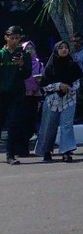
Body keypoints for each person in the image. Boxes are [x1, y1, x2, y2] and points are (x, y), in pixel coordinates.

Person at [37, 41, 83, 162]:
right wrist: (58, 86)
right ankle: (46, 151)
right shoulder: (50, 66)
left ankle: (66, 151)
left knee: (67, 125)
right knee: (49, 126)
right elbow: (44, 85)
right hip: (52, 101)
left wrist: (69, 87)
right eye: (60, 48)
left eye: (66, 48)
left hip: (69, 99)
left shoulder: (73, 65)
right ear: (56, 50)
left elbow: (77, 82)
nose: (64, 50)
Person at [0, 26, 32, 165]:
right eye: (12, 38)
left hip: (17, 94)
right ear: (6, 37)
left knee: (13, 124)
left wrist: (21, 65)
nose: (14, 40)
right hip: (2, 94)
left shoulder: (24, 55)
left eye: (17, 38)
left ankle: (10, 155)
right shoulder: (1, 54)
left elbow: (27, 74)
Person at [18, 41, 44, 157]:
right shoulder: (20, 64)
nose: (29, 50)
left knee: (30, 123)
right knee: (20, 123)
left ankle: (25, 147)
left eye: (31, 48)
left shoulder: (39, 65)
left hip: (34, 97)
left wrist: (40, 82)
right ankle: (20, 149)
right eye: (27, 48)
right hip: (21, 97)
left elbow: (44, 80)